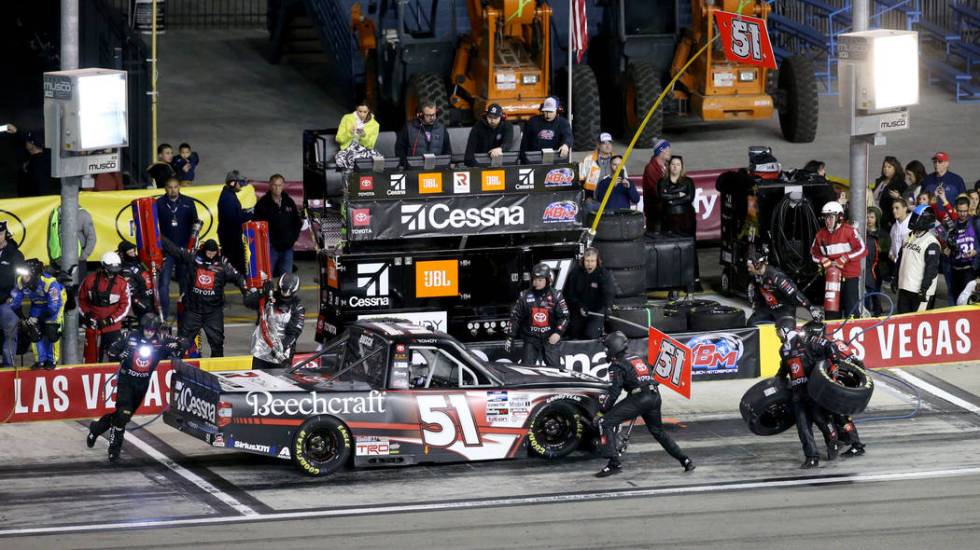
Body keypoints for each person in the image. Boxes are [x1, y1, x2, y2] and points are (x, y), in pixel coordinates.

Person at [86, 313, 185, 462]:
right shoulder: (130, 336)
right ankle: (114, 450)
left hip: (142, 384)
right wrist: (120, 355)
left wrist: (177, 345)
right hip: (126, 381)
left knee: (123, 416)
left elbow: (184, 342)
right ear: (142, 328)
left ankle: (96, 428)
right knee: (123, 415)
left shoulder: (161, 340)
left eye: (152, 330)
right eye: (147, 329)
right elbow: (111, 351)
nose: (149, 333)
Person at [594, 331, 694, 477]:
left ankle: (614, 463)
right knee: (658, 432)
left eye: (607, 348)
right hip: (654, 396)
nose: (606, 351)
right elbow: (651, 375)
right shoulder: (638, 357)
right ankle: (685, 460)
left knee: (604, 423)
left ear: (613, 347)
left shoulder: (616, 366)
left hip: (640, 398)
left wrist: (602, 411)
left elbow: (614, 393)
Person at [161, 237, 249, 357]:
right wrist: (158, 237)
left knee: (217, 343)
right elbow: (175, 251)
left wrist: (247, 292)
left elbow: (238, 277)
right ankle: (178, 369)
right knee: (181, 342)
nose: (211, 255)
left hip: (213, 312)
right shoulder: (194, 257)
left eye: (213, 253)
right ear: (204, 250)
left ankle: (217, 370)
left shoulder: (223, 263)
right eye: (209, 252)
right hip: (193, 310)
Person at [775, 317, 838, 468]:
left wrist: (835, 365)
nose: (777, 334)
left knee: (820, 419)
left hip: (814, 389)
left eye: (777, 331)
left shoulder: (807, 340)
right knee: (803, 427)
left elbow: (830, 346)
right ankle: (812, 457)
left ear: (784, 330)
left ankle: (833, 441)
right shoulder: (783, 349)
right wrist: (776, 382)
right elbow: (784, 369)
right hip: (798, 393)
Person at [797, 320, 866, 458]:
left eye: (806, 332)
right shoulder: (818, 346)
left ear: (814, 333)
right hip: (837, 379)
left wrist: (836, 373)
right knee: (831, 413)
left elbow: (853, 363)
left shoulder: (828, 344)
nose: (803, 335)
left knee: (840, 414)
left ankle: (857, 445)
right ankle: (843, 439)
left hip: (846, 379)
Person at [505, 263, 569, 368]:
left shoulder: (556, 295)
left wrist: (558, 333)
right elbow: (515, 317)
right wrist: (510, 337)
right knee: (527, 369)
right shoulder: (524, 295)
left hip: (550, 338)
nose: (536, 283)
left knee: (556, 370)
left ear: (548, 280)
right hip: (531, 339)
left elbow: (565, 317)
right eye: (535, 279)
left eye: (540, 280)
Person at [810, 201, 867, 320]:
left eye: (831, 217)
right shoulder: (820, 235)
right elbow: (813, 254)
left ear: (839, 217)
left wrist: (845, 258)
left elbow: (863, 249)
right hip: (831, 279)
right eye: (825, 218)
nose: (827, 221)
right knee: (831, 311)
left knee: (851, 311)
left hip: (849, 278)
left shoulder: (849, 231)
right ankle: (831, 336)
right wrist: (822, 260)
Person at [156, 177, 199, 321]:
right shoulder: (159, 204)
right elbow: (155, 230)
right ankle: (164, 315)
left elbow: (196, 225)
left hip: (184, 250)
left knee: (185, 283)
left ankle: (184, 312)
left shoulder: (188, 202)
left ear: (179, 187)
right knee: (163, 284)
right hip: (167, 251)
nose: (173, 189)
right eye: (169, 187)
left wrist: (191, 247)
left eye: (175, 187)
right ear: (165, 188)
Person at [9, 259, 65, 370]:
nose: (24, 278)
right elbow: (14, 303)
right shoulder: (20, 282)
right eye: (23, 275)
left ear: (35, 275)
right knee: (33, 330)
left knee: (51, 330)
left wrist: (38, 319)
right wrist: (25, 319)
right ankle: (40, 360)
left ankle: (52, 360)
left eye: (27, 276)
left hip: (55, 303)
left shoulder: (50, 283)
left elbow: (53, 308)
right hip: (37, 304)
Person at [746, 246, 821, 325]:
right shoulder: (756, 276)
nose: (748, 269)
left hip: (784, 309)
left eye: (750, 267)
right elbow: (759, 296)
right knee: (751, 324)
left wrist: (811, 309)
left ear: (757, 265)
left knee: (785, 330)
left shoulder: (776, 277)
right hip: (769, 308)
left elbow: (795, 294)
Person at [78, 252, 131, 363]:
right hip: (93, 326)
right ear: (103, 267)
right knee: (91, 358)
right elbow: (81, 301)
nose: (113, 274)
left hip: (113, 327)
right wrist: (87, 315)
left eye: (115, 271)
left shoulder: (122, 284)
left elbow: (125, 306)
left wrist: (110, 320)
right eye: (110, 270)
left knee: (115, 356)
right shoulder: (89, 280)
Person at [248, 272, 304, 369]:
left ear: (294, 291)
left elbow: (293, 334)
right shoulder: (269, 298)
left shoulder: (297, 309)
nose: (285, 294)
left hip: (281, 355)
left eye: (288, 292)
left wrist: (278, 350)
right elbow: (248, 302)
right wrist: (262, 291)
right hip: (260, 351)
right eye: (283, 291)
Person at [893, 205, 941, 313]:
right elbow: (900, 260)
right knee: (902, 321)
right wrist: (895, 278)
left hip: (920, 291)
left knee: (918, 323)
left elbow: (931, 269)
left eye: (916, 217)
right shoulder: (907, 236)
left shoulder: (931, 242)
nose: (913, 220)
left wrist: (924, 288)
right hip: (905, 287)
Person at [253, 174, 303, 277]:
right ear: (270, 186)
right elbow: (257, 224)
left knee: (286, 277)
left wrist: (292, 239)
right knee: (266, 275)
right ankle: (267, 293)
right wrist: (269, 241)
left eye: (280, 185)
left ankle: (286, 293)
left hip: (287, 247)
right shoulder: (262, 204)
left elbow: (297, 222)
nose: (277, 188)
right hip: (270, 247)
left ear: (283, 186)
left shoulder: (289, 201)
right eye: (275, 185)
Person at [564, 248, 615, 340]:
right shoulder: (575, 273)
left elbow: (608, 293)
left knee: (591, 335)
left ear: (597, 261)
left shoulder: (603, 274)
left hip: (596, 310)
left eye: (592, 261)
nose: (589, 264)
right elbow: (571, 294)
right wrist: (580, 307)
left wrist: (608, 307)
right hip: (579, 309)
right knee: (573, 333)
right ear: (583, 260)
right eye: (587, 261)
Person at [3, 123, 54, 196]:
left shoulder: (39, 164)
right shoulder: (44, 155)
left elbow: (41, 187)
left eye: (28, 141)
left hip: (33, 201)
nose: (25, 142)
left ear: (33, 145)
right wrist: (16, 131)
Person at [47, 205, 96, 280]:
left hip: (77, 260)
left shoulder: (83, 214)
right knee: (59, 287)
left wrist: (83, 256)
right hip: (58, 259)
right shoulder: (55, 213)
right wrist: (52, 257)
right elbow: (51, 237)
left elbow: (92, 238)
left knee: (77, 287)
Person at [0, 221, 25, 366]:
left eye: (1, 233)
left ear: (5, 235)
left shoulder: (14, 254)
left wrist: (15, 297)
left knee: (9, 336)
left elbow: (22, 278)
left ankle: (8, 368)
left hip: (6, 303)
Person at [217, 170, 252, 274]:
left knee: (235, 259)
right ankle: (240, 280)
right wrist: (250, 214)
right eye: (239, 182)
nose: (241, 185)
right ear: (232, 183)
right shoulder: (228, 197)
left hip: (231, 234)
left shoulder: (229, 194)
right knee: (236, 260)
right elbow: (235, 218)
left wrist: (246, 211)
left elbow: (235, 213)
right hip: (230, 235)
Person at [519, 97, 572, 161]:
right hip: (534, 159)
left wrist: (565, 145)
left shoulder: (563, 123)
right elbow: (525, 142)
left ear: (557, 111)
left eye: (550, 111)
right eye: (545, 111)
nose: (547, 114)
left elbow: (568, 136)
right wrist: (522, 159)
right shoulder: (532, 121)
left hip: (556, 159)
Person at [464, 103, 515, 167]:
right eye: (490, 117)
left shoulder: (507, 125)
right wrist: (481, 168)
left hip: (500, 163)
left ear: (501, 116)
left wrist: (500, 149)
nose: (492, 120)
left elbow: (508, 143)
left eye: (495, 117)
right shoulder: (478, 126)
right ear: (486, 116)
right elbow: (468, 155)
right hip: (480, 163)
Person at [335, 101, 382, 169]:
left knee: (378, 160)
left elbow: (371, 145)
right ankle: (353, 178)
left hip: (365, 150)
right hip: (348, 149)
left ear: (368, 111)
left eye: (365, 112)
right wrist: (349, 134)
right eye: (360, 111)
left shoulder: (375, 125)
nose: (362, 114)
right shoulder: (347, 118)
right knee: (349, 158)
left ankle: (374, 178)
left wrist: (364, 136)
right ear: (356, 109)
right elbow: (339, 139)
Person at [948, 196, 978, 303]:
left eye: (965, 211)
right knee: (957, 300)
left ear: (969, 208)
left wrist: (976, 251)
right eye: (960, 211)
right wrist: (947, 248)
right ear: (956, 209)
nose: (963, 214)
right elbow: (946, 246)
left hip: (970, 268)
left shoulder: (975, 223)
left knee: (968, 300)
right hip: (955, 269)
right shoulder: (952, 225)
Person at [658, 156, 696, 236]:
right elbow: (662, 196)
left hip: (686, 219)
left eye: (678, 164)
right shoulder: (662, 182)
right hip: (667, 219)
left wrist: (672, 201)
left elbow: (689, 198)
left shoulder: (688, 181)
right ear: (668, 166)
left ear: (682, 166)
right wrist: (679, 194)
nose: (675, 167)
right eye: (673, 164)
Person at [117, 241, 155, 319]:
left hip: (151, 295)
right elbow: (132, 293)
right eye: (130, 253)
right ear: (123, 254)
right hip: (139, 300)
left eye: (134, 251)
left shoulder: (139, 261)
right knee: (148, 314)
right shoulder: (124, 270)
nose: (133, 254)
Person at [642, 139, 671, 233]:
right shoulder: (651, 168)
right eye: (668, 149)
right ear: (661, 151)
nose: (670, 152)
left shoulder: (667, 166)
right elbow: (656, 191)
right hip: (656, 214)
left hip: (666, 212)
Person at [874, 156, 907, 228]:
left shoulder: (900, 184)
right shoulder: (880, 181)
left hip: (888, 220)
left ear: (895, 168)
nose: (886, 169)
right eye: (884, 167)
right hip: (875, 217)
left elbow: (905, 202)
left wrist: (898, 197)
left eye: (889, 167)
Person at [865, 207, 885, 316]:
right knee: (867, 290)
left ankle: (877, 310)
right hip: (867, 265)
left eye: (872, 217)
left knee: (875, 289)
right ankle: (867, 311)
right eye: (867, 217)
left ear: (877, 218)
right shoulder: (863, 232)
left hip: (878, 266)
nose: (869, 220)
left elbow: (886, 249)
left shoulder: (881, 233)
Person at [889, 199, 911, 267]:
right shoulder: (894, 227)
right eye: (893, 208)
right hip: (896, 265)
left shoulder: (912, 225)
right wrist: (891, 255)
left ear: (905, 208)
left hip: (909, 266)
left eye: (897, 208)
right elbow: (892, 245)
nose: (894, 211)